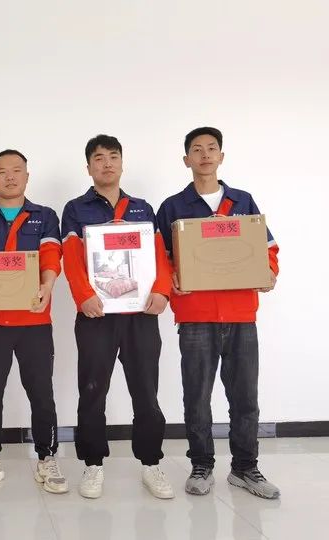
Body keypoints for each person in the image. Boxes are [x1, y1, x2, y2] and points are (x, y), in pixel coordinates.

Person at [156, 126, 280, 499]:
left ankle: (245, 468)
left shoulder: (243, 201)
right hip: (196, 314)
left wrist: (269, 272)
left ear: (221, 156)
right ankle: (201, 465)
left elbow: (267, 248)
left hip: (241, 314)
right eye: (197, 149)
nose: (205, 155)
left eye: (212, 148)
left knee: (245, 397)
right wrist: (171, 280)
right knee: (197, 396)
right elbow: (161, 259)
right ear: (186, 160)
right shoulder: (173, 207)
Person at [61, 135, 175, 499]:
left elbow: (159, 255)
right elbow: (71, 257)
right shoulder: (76, 209)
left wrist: (162, 291)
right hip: (96, 314)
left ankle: (151, 463)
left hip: (140, 315)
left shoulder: (142, 209)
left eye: (113, 157)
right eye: (99, 158)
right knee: (93, 390)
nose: (107, 163)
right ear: (89, 167)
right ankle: (93, 464)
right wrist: (83, 296)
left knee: (146, 390)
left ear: (122, 164)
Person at [0, 149, 67, 494]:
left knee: (42, 392)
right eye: (2, 171)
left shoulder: (44, 216)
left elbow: (51, 255)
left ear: (27, 176)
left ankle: (47, 457)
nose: (10, 177)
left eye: (16, 170)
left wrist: (48, 285)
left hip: (34, 320)